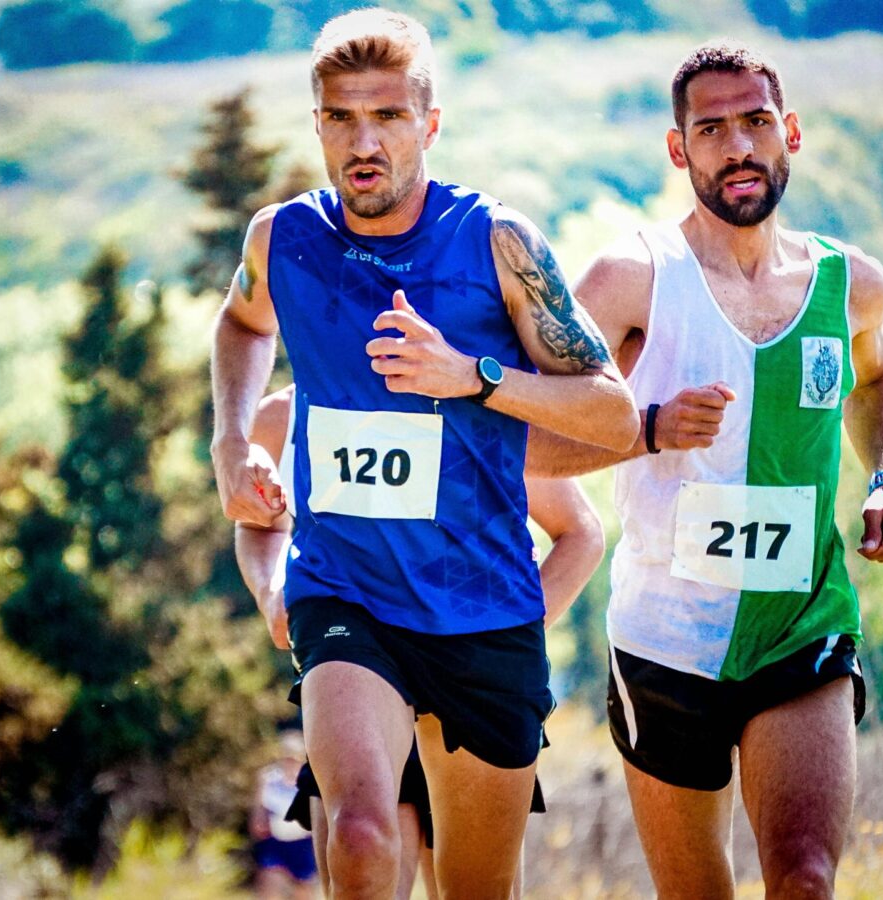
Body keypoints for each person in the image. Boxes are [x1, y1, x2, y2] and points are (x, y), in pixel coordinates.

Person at [209, 8, 636, 898]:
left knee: (473, 888)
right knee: (363, 838)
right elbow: (244, 323)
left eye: (388, 117)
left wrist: (474, 377)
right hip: (345, 594)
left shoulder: (498, 243)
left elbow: (613, 414)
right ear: (317, 124)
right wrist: (230, 438)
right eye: (340, 118)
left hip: (483, 610)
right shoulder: (282, 239)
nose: (363, 142)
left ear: (430, 123)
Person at [526, 40, 883, 899]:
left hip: (802, 624)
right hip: (664, 641)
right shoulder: (631, 281)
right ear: (680, 149)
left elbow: (876, 379)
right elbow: (522, 445)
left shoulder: (851, 283)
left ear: (791, 133)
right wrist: (649, 430)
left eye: (756, 122)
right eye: (711, 130)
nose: (738, 147)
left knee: (805, 880)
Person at [237, 384, 604, 899]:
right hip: (355, 696)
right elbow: (257, 522)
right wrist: (269, 588)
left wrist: (506, 635)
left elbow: (581, 532)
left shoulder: (463, 396)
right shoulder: (282, 414)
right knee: (361, 852)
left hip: (467, 693)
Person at [251, 731, 318, 899]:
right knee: (270, 885)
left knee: (303, 892)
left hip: (302, 843)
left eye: (293, 757)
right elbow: (259, 810)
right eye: (286, 757)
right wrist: (258, 822)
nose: (289, 761)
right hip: (275, 842)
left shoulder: (309, 781)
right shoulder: (268, 778)